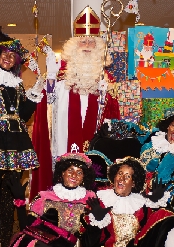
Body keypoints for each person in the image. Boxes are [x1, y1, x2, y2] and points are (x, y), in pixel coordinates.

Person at [0, 21, 44, 247]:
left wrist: (34, 95)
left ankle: (6, 240)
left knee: (10, 192)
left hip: (17, 141)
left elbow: (23, 116)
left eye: (13, 56)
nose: (9, 58)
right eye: (4, 53)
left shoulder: (18, 85)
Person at [49, 5, 119, 157]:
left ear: (98, 47)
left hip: (94, 136)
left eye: (91, 42)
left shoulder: (106, 78)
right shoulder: (60, 73)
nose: (87, 46)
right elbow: (48, 102)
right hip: (64, 134)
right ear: (74, 46)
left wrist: (105, 94)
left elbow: (111, 114)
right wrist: (49, 79)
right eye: (82, 42)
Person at [80, 157, 174, 247]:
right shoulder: (100, 201)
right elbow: (88, 244)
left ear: (133, 183)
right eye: (120, 174)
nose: (122, 179)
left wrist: (157, 202)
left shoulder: (141, 204)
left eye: (127, 176)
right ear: (114, 177)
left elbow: (156, 229)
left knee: (167, 218)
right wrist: (96, 223)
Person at [2, 152, 96, 247]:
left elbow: (91, 241)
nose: (74, 175)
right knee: (35, 246)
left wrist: (98, 218)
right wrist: (21, 201)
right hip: (44, 246)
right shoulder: (44, 197)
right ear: (62, 173)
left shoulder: (90, 199)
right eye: (70, 170)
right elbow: (27, 228)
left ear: (83, 177)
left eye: (79, 172)